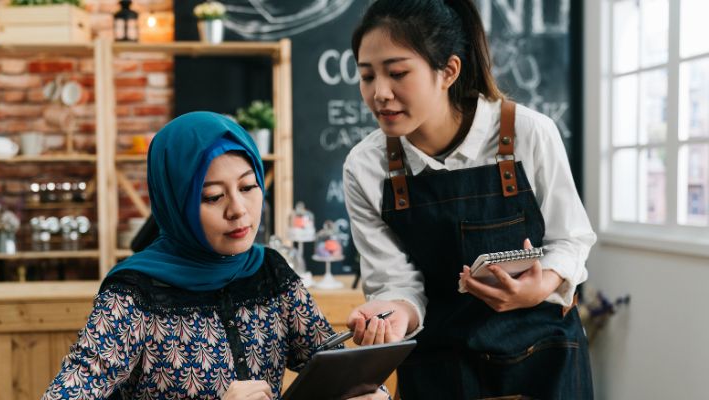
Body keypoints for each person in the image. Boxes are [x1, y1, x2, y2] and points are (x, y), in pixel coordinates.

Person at [341, 0, 596, 398]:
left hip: (542, 360)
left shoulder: (528, 133)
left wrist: (540, 284)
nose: (380, 93)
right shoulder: (366, 166)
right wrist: (391, 315)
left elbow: (571, 239)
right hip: (439, 367)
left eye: (397, 73)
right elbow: (396, 282)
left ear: (448, 71)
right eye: (366, 75)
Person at [42, 112, 387, 400]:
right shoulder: (134, 294)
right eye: (212, 197)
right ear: (178, 204)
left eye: (248, 187)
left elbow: (327, 362)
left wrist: (367, 391)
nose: (238, 211)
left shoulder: (269, 271)